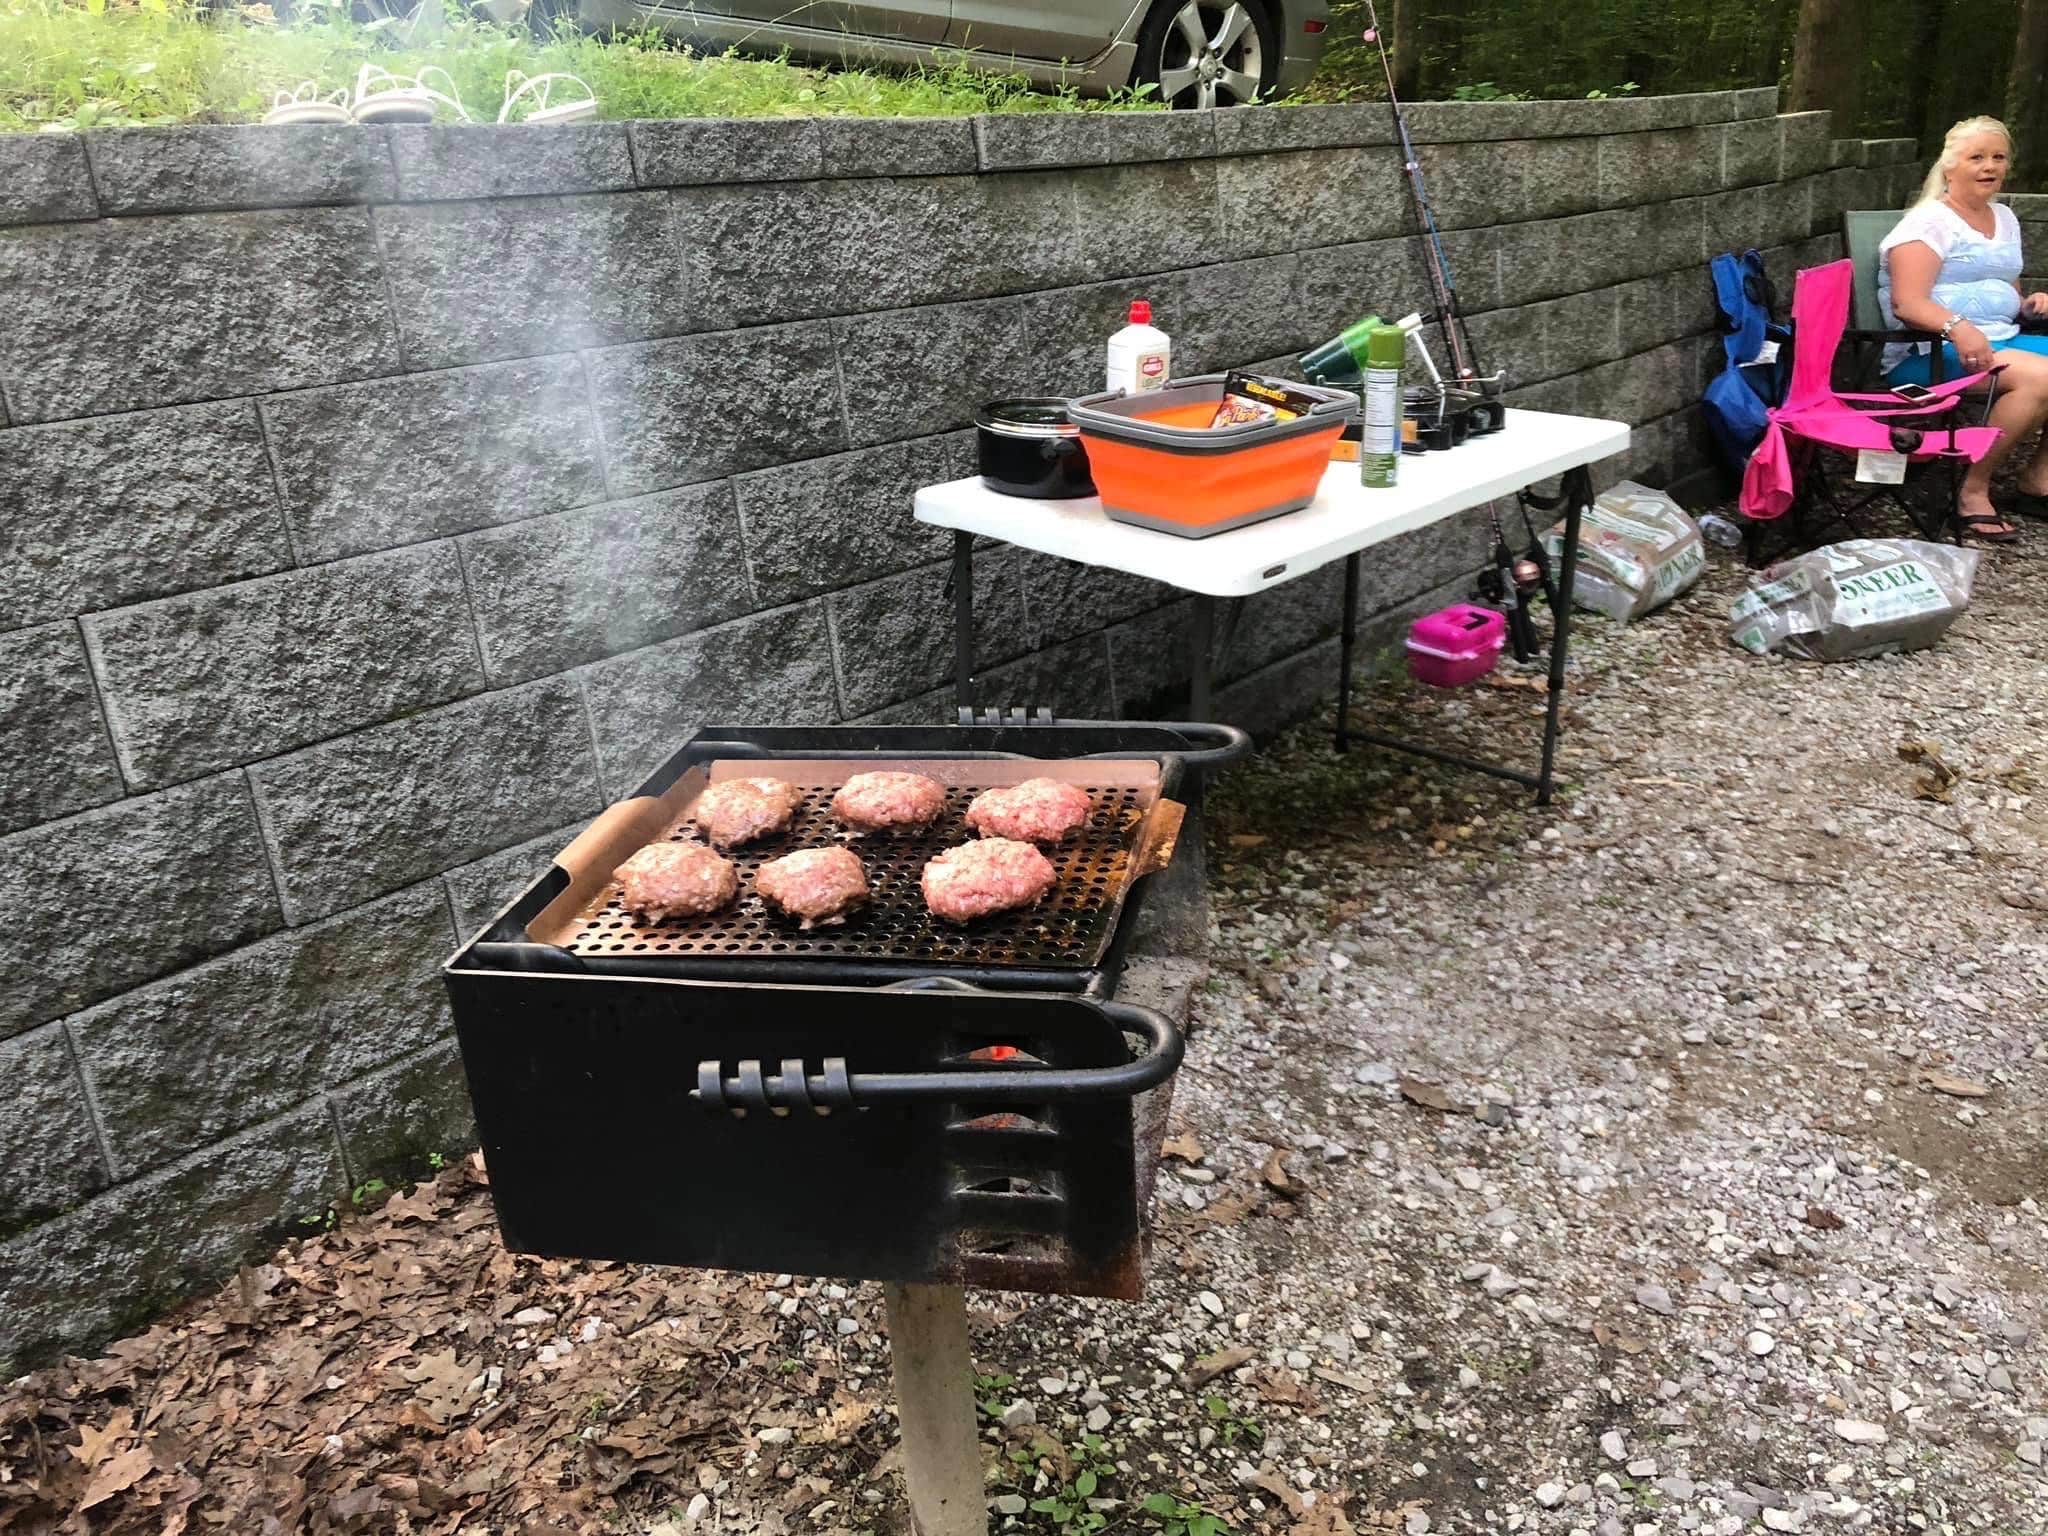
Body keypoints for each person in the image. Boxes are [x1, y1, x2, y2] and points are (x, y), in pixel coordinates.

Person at [1880, 115, 2048, 543]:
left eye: (1998, 157)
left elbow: (2000, 284)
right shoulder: (1927, 224)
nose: (1989, 166)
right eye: (1977, 157)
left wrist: (2030, 302)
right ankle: (1971, 492)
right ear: (1949, 166)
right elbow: (1908, 303)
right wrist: (1958, 326)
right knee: (2042, 377)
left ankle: (2038, 482)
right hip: (1928, 353)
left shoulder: (2004, 217)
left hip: (1999, 339)